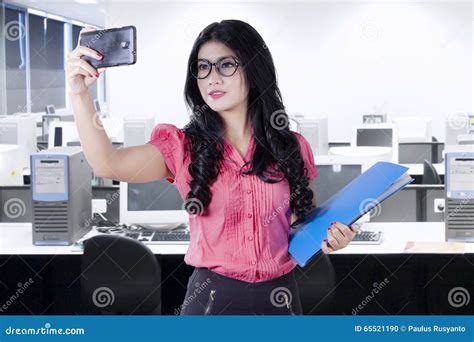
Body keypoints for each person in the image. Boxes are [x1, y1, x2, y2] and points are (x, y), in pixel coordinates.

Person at [67, 19, 357, 315]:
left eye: (226, 65)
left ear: (255, 70)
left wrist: (333, 236)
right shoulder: (182, 147)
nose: (212, 78)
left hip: (282, 299)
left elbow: (304, 226)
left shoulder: (291, 146)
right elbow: (107, 164)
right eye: (203, 67)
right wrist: (80, 93)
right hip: (213, 302)